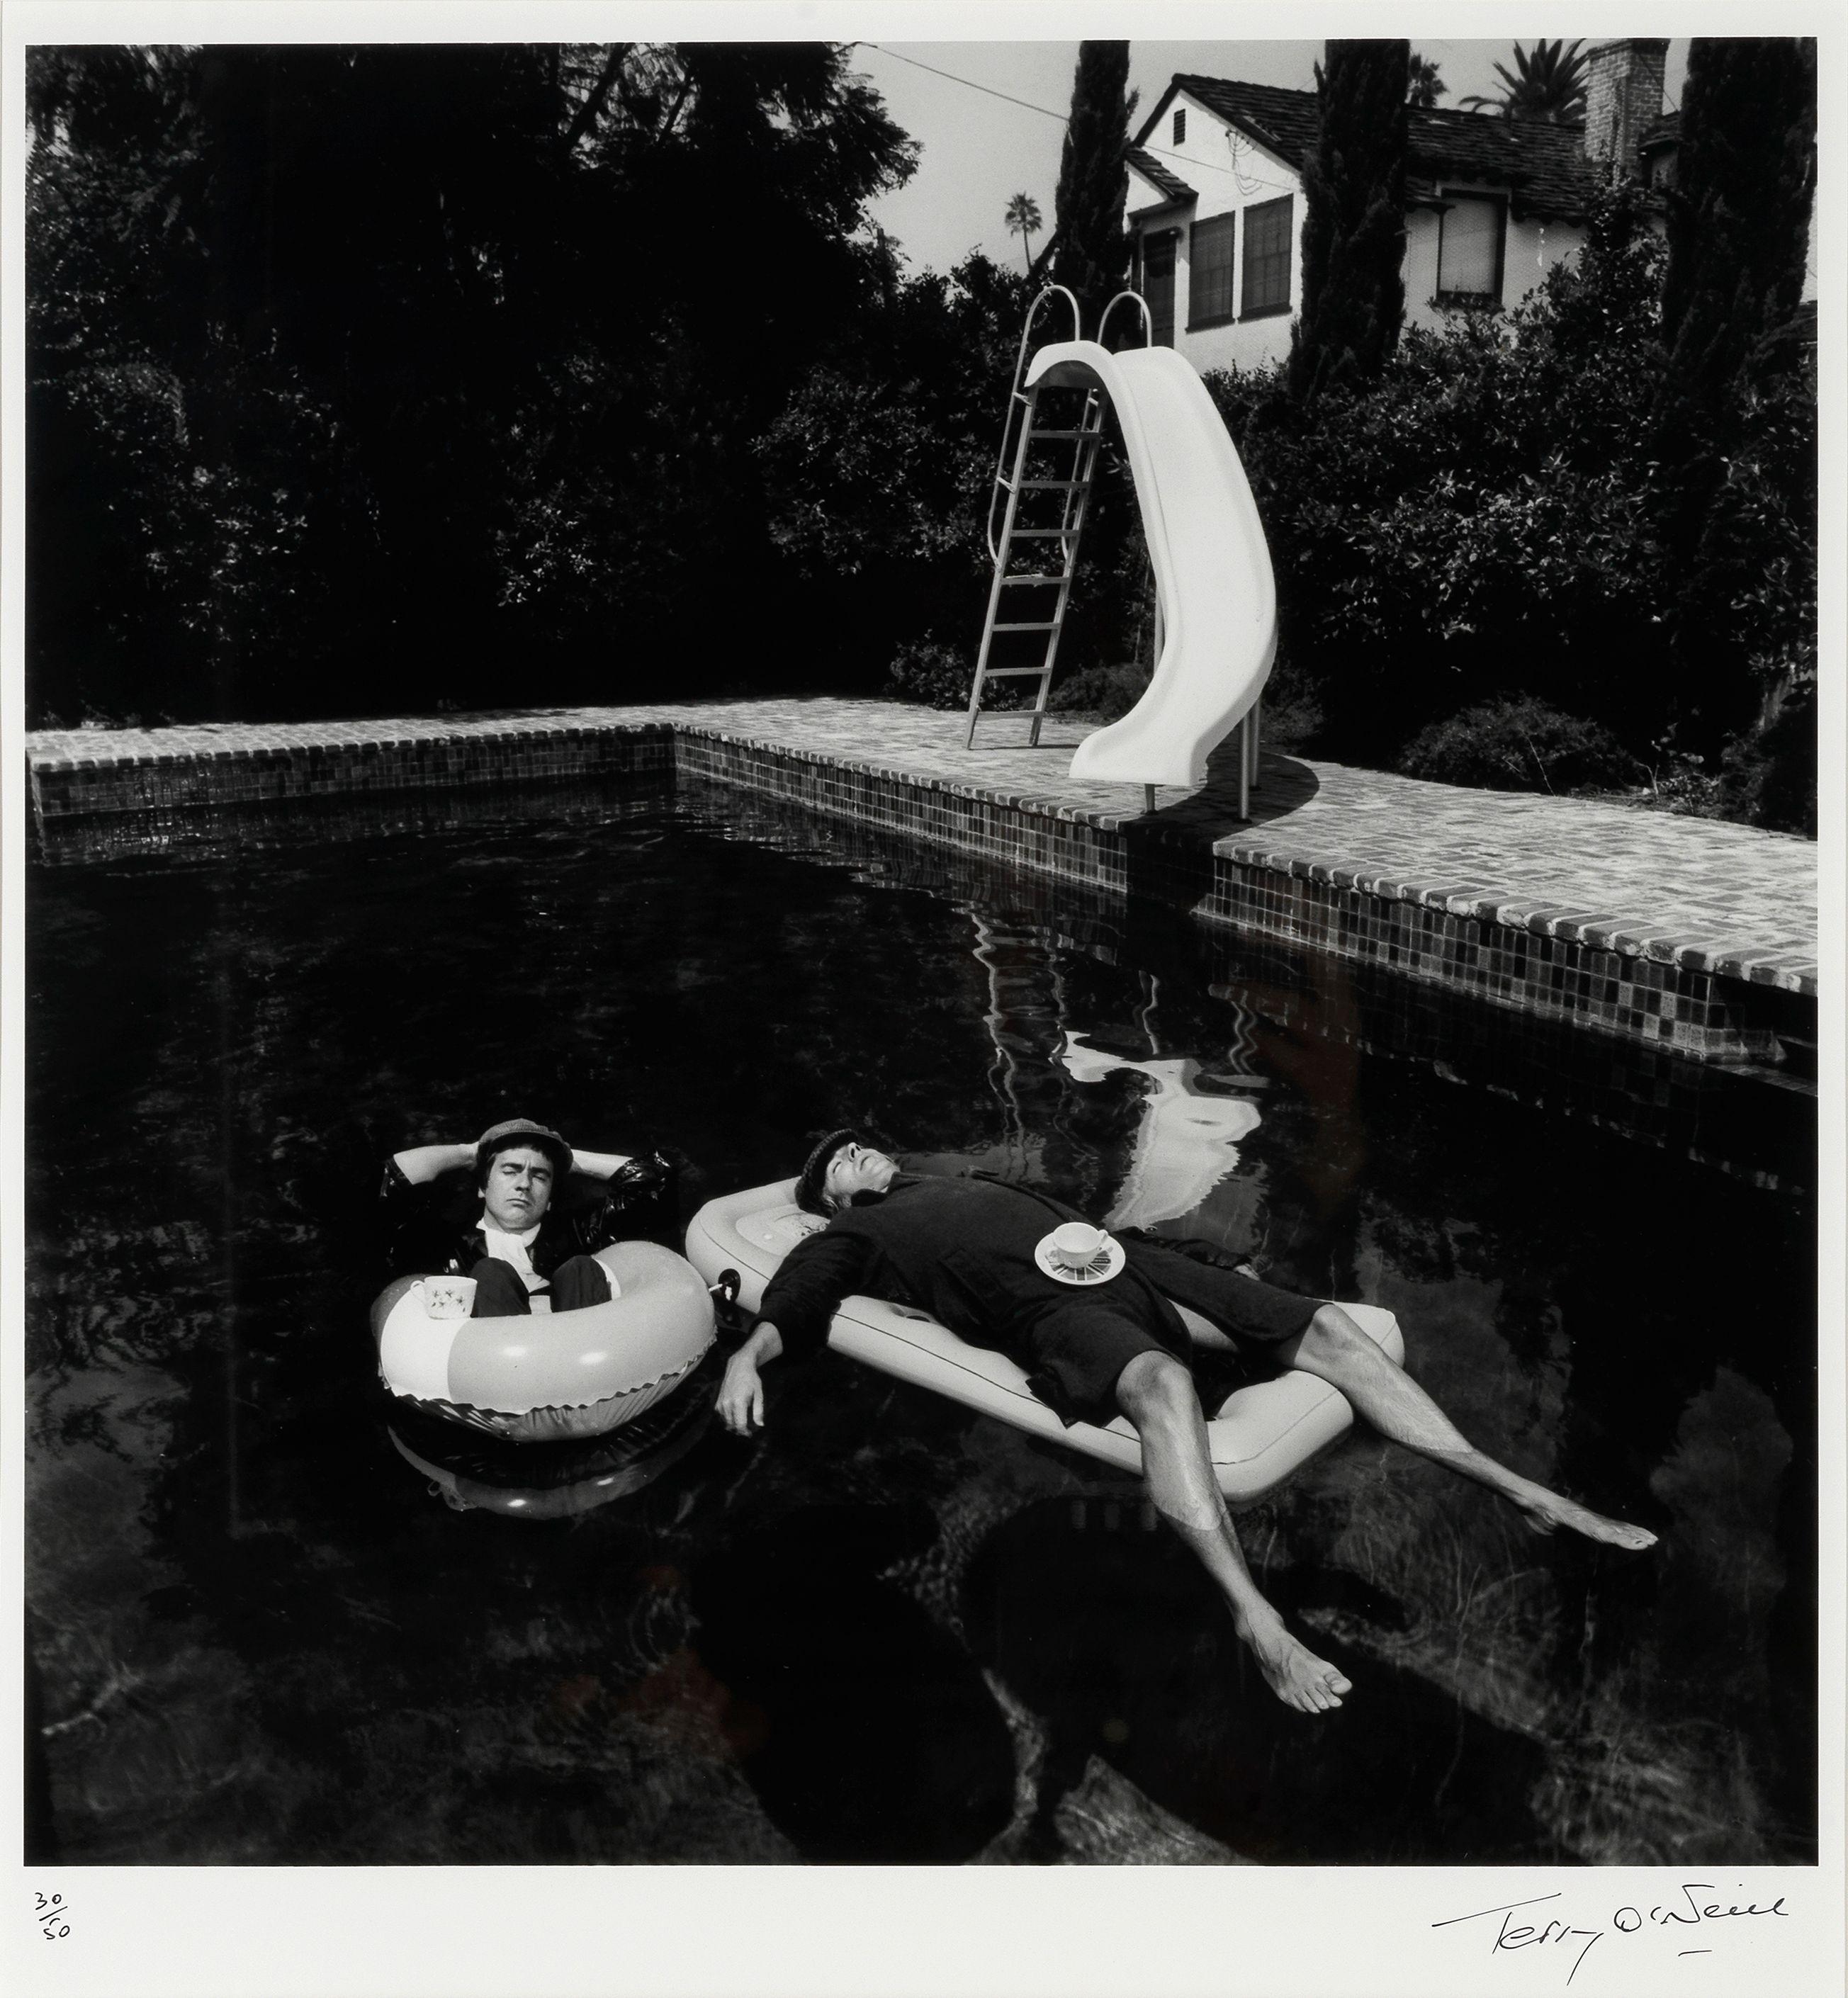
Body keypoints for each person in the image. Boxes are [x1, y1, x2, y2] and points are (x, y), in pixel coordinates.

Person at [717, 1131, 1657, 1717]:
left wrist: (1207, 1256)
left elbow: (1074, 1207)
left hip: (1127, 1265)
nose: (858, 1152)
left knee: (1325, 1327)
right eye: (839, 1162)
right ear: (830, 1203)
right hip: (1049, 1312)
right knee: (1163, 1383)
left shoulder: (946, 1172)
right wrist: (744, 1359)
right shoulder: (856, 1237)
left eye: (856, 1143)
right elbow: (797, 1302)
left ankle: (1518, 1488)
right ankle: (1255, 1616)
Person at [381, 1117, 675, 1316]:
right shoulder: (445, 1245)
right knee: (491, 1273)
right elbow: (391, 1181)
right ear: (483, 1187)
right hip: (488, 1380)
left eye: (539, 1176)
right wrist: (470, 1153)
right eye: (510, 1171)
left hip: (585, 1376)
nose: (524, 1184)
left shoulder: (579, 1234)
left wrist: (567, 1159)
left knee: (580, 1268)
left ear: (549, 1200)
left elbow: (655, 1180)